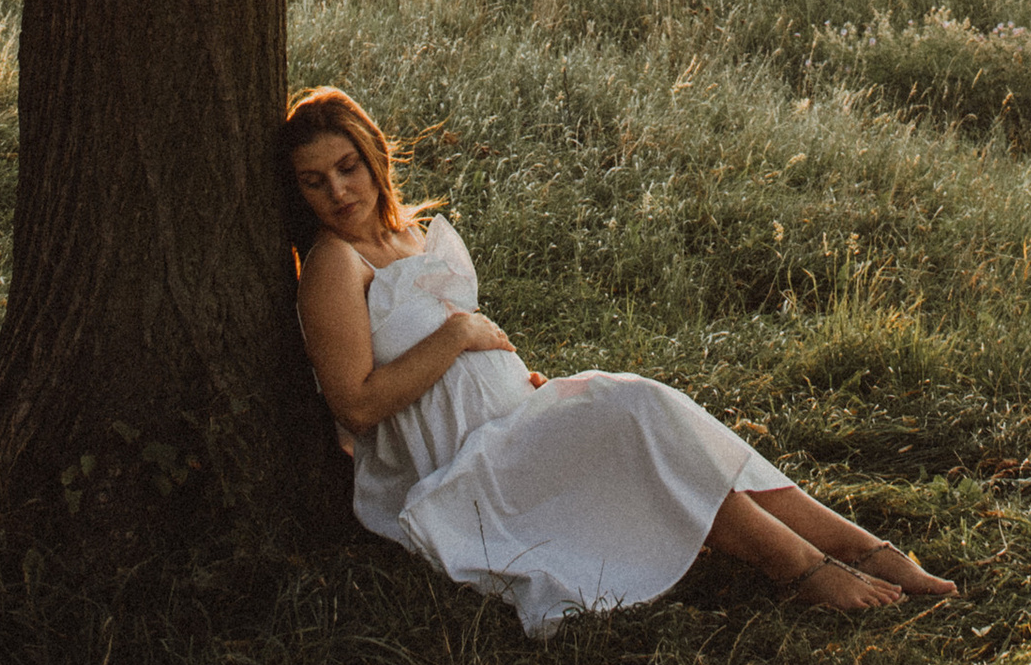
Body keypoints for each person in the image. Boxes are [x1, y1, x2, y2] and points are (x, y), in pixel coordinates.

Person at [281, 89, 959, 635]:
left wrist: (510, 379)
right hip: (466, 470)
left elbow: (462, 356)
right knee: (636, 413)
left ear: (374, 159)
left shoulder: (410, 234)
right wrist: (457, 335)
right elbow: (357, 404)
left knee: (651, 413)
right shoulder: (333, 265)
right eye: (314, 182)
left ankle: (861, 548)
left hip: (514, 418)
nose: (338, 192)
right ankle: (803, 566)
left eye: (348, 168)